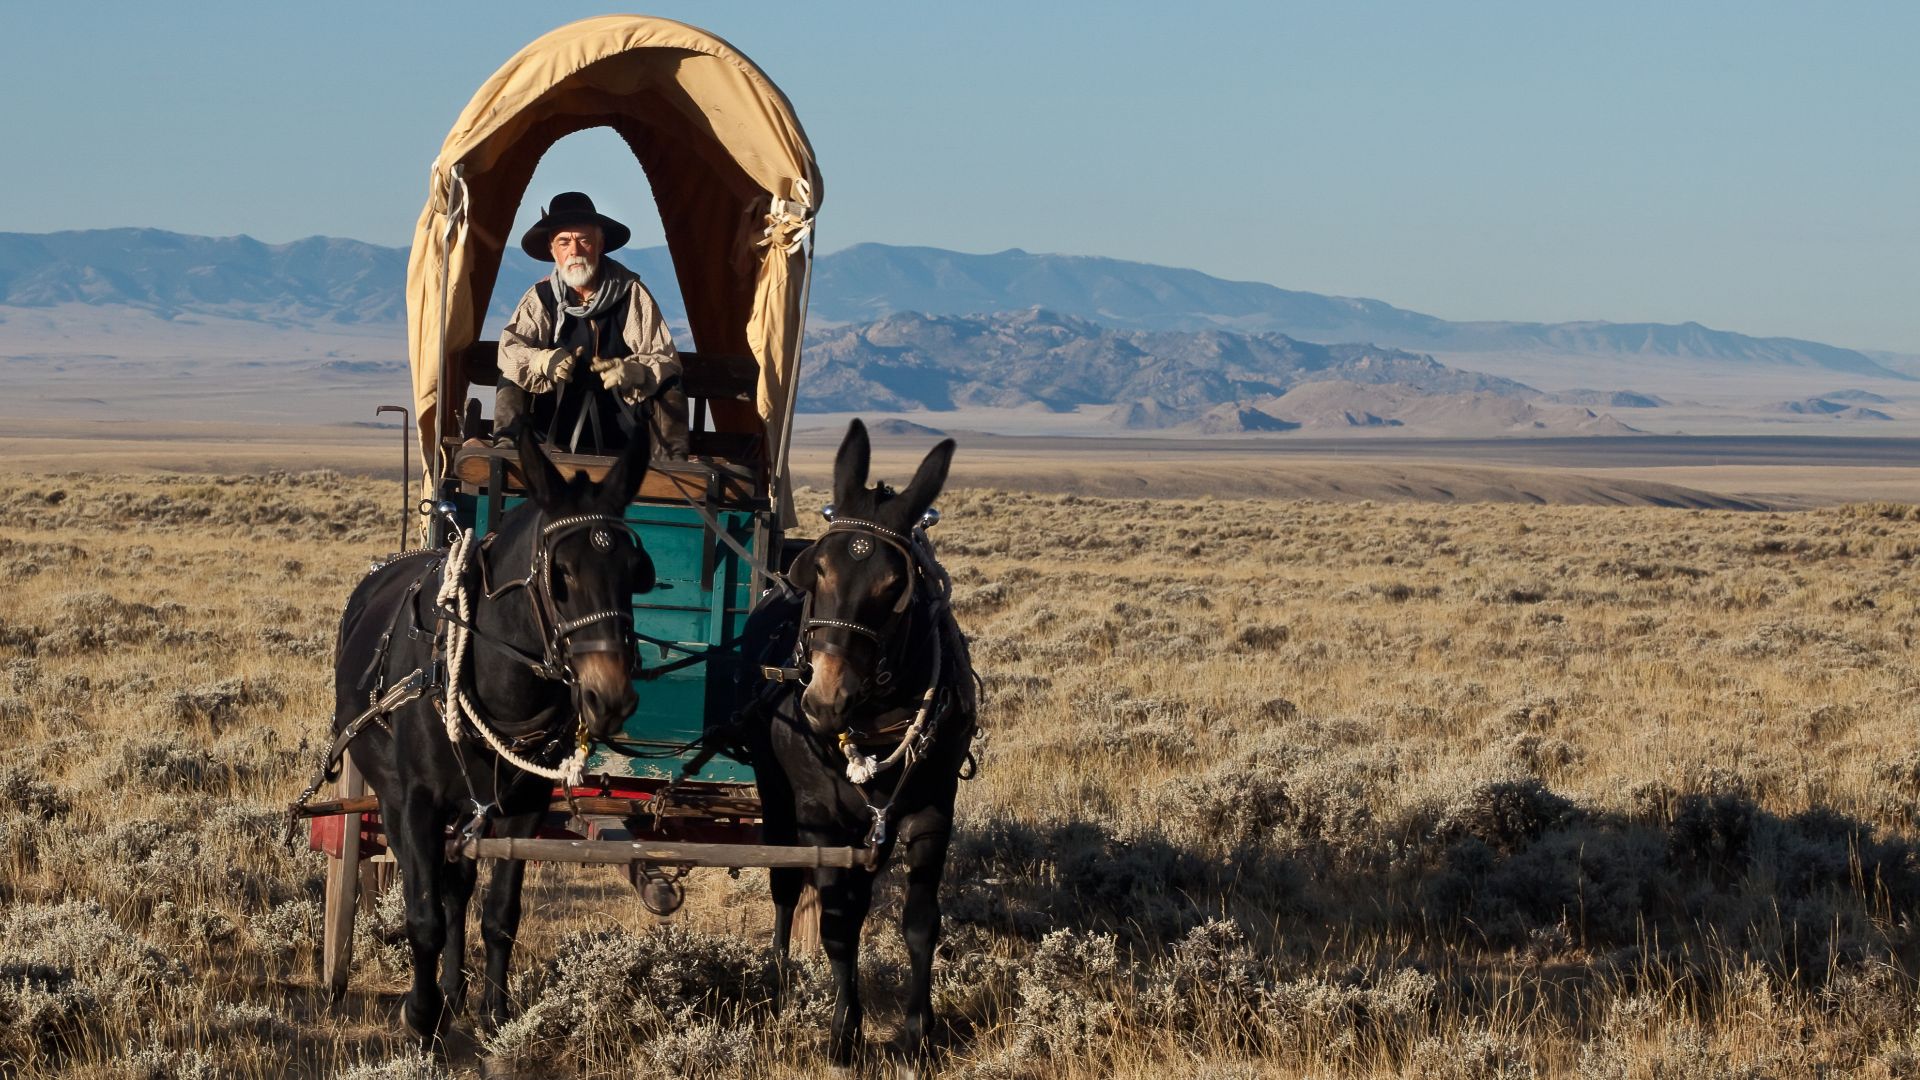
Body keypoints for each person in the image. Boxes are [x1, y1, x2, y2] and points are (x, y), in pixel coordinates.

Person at [494, 192, 688, 458]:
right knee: (512, 371)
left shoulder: (630, 293)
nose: (574, 251)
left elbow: (666, 360)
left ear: (600, 244)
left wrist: (634, 371)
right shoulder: (540, 297)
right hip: (554, 428)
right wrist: (542, 361)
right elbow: (510, 350)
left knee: (668, 381)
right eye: (564, 242)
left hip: (623, 429)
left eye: (583, 240)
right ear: (553, 250)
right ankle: (506, 453)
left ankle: (673, 466)